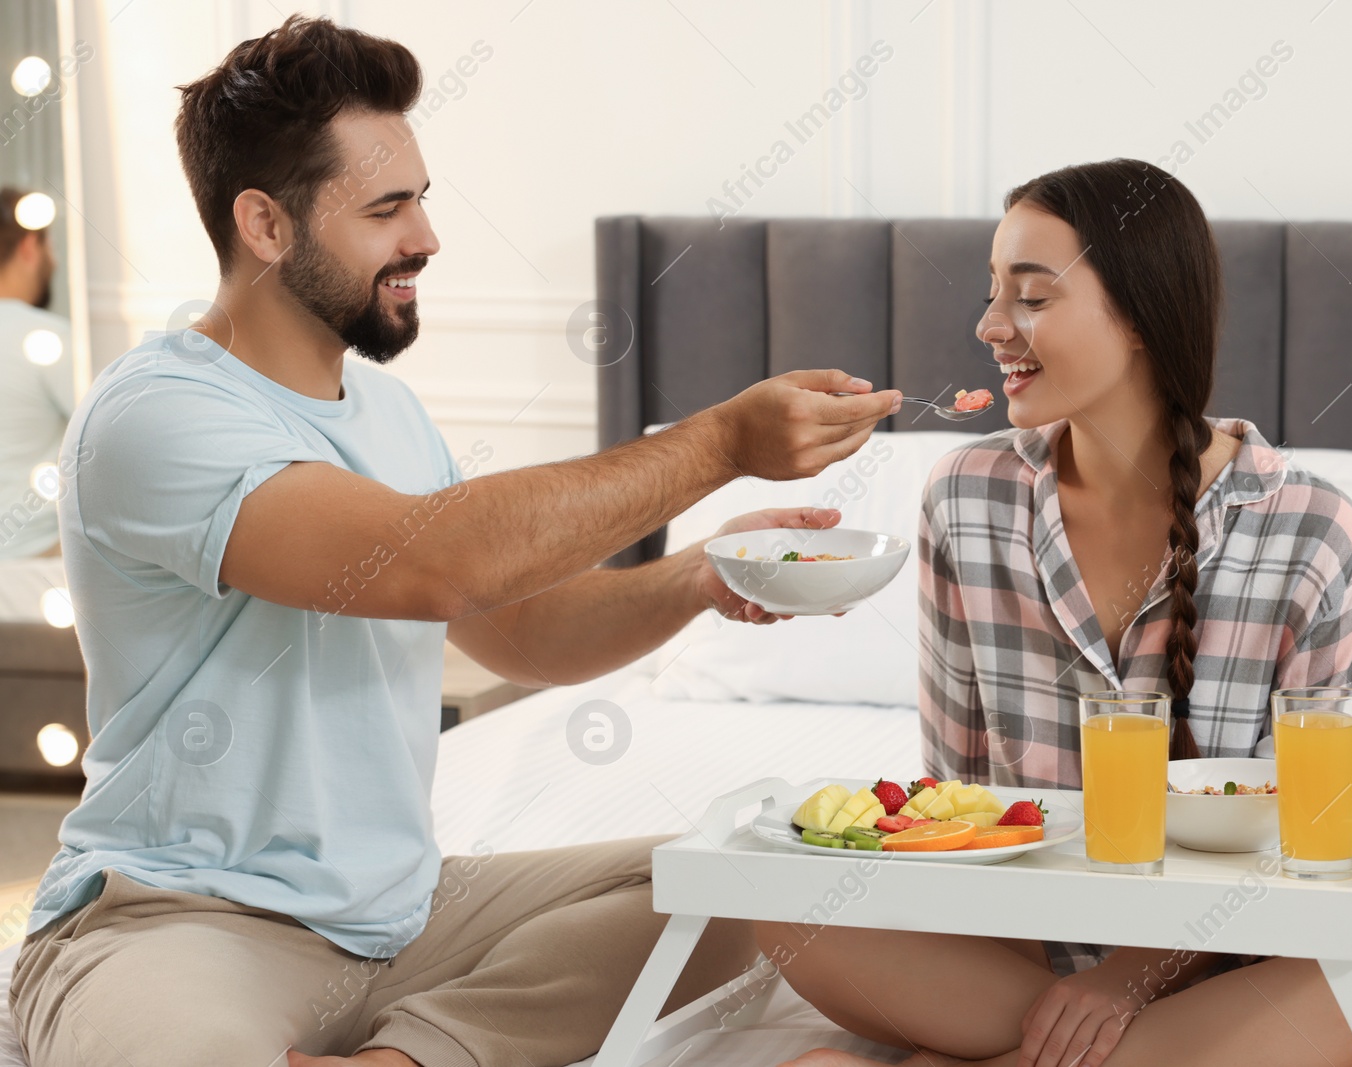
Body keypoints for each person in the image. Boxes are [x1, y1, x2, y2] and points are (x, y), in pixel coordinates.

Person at [5, 15, 901, 1067]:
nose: (425, 236)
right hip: (187, 919)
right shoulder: (155, 413)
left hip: (406, 917)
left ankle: (418, 1051)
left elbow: (518, 628)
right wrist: (721, 442)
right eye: (387, 209)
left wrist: (697, 577)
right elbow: (434, 565)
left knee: (751, 887)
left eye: (420, 198)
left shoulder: (387, 413)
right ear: (265, 224)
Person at [752, 159, 1352, 1067]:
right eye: (992, 294)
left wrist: (1128, 979)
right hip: (1010, 955)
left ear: (1139, 315)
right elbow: (959, 798)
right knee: (784, 903)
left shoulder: (1314, 531)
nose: (989, 327)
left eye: (1031, 297)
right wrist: (1055, 980)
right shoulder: (965, 499)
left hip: (1231, 963)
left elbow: (1303, 830)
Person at [0, 185, 74, 559]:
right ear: (29, 247)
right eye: (51, 247)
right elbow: (117, 440)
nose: (56, 261)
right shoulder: (47, 340)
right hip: (37, 566)